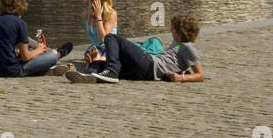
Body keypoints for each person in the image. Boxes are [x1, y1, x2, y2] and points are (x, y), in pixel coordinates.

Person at [67, 12, 204, 84]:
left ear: (181, 31)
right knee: (97, 64)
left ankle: (112, 71)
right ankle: (90, 74)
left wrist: (181, 78)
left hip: (150, 63)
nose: (171, 30)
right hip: (145, 72)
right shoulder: (178, 43)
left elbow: (200, 75)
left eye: (173, 28)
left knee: (111, 38)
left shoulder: (188, 47)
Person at [0, 0, 72, 78]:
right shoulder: (19, 23)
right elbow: (26, 57)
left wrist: (14, 52)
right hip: (12, 71)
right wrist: (39, 50)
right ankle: (58, 54)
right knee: (52, 56)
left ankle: (42, 68)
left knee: (29, 49)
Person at [83, 0, 118, 70]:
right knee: (90, 54)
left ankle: (93, 63)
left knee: (103, 59)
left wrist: (99, 16)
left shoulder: (111, 14)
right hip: (95, 48)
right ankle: (93, 61)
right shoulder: (87, 14)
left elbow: (103, 40)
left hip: (109, 47)